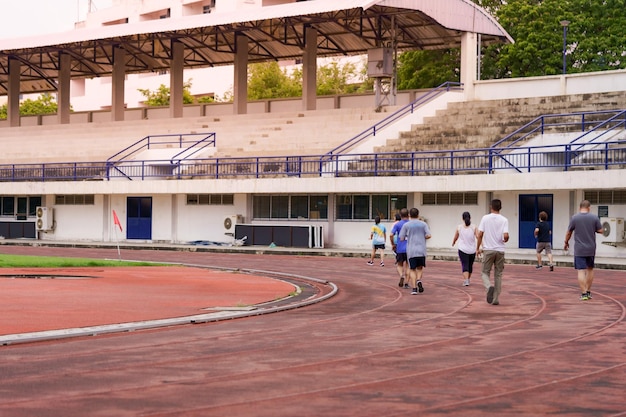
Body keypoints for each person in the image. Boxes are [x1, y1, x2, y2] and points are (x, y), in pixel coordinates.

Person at [564, 200, 603, 301]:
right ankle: (589, 291)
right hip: (591, 248)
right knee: (590, 269)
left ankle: (584, 293)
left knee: (581, 270)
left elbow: (569, 232)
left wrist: (566, 242)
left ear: (579, 207)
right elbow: (601, 230)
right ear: (589, 208)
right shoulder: (594, 217)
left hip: (579, 249)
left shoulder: (575, 218)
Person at [476, 199, 509, 305]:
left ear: (491, 206)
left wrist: (477, 248)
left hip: (488, 249)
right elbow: (506, 236)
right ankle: (495, 299)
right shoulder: (504, 220)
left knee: (485, 272)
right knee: (498, 274)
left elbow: (480, 234)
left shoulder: (485, 218)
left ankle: (489, 287)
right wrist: (505, 239)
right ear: (501, 207)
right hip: (500, 250)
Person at [399, 208, 432, 295]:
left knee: (412, 269)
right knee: (420, 268)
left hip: (411, 250)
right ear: (418, 215)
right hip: (421, 249)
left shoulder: (406, 225)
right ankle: (418, 280)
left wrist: (408, 237)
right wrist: (422, 237)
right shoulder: (423, 224)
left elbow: (401, 238)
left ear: (409, 215)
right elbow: (429, 235)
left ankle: (414, 289)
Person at [452, 211, 478, 286]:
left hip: (462, 249)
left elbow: (456, 237)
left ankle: (466, 280)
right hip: (472, 250)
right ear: (470, 218)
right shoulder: (474, 227)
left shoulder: (459, 227)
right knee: (470, 265)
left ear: (462, 219)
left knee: (464, 264)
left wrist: (453, 242)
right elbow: (478, 236)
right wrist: (480, 246)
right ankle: (468, 279)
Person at [390, 208, 410, 288]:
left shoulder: (397, 224)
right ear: (408, 215)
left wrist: (393, 244)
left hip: (400, 248)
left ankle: (401, 275)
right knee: (408, 266)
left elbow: (391, 235)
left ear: (400, 215)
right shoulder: (410, 223)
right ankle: (406, 283)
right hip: (410, 248)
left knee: (399, 265)